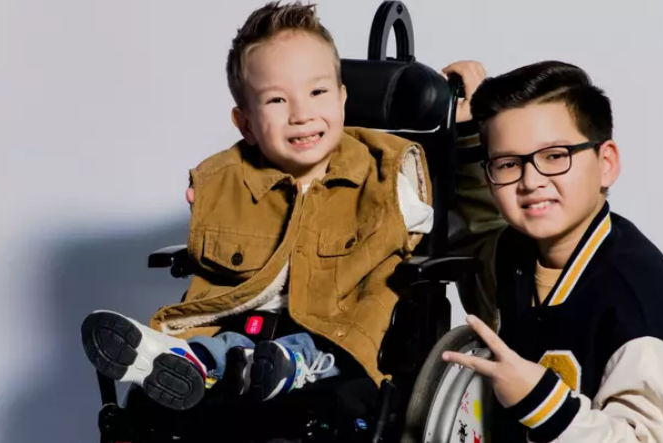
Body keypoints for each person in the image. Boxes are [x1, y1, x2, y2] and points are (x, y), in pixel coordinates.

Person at [80, 0, 436, 420]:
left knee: (321, 355)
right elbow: (219, 267)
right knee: (227, 347)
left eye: (318, 92)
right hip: (250, 326)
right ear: (246, 123)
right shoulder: (228, 181)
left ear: (343, 99)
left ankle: (284, 366)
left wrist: (463, 125)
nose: (301, 114)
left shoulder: (385, 177)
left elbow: (442, 229)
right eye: (277, 100)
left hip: (337, 333)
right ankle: (180, 359)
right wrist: (210, 210)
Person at [442, 60, 663, 443]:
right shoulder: (513, 256)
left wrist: (542, 403)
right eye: (508, 164)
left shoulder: (640, 305)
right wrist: (469, 130)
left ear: (606, 164)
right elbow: (475, 232)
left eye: (555, 156)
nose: (531, 181)